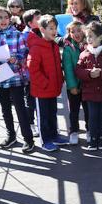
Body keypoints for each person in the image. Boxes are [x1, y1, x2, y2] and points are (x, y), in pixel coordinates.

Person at [0, 7, 35, 153]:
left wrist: (17, 58)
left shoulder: (17, 35)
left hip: (15, 77)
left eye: (5, 17)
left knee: (20, 108)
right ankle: (11, 136)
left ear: (9, 19)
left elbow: (24, 53)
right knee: (5, 109)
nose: (3, 20)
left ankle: (28, 139)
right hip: (0, 77)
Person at [26, 15, 68, 152]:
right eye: (51, 28)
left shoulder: (54, 45)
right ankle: (46, 141)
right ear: (42, 29)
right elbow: (33, 69)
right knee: (43, 116)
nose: (54, 31)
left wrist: (59, 80)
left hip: (53, 88)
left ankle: (54, 136)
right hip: (42, 90)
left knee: (52, 114)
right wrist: (45, 83)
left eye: (55, 28)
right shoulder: (36, 47)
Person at [76, 22, 102, 151]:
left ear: (100, 37)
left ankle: (101, 138)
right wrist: (89, 74)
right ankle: (93, 140)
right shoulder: (84, 53)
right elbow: (78, 70)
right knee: (92, 116)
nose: (88, 39)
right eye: (87, 36)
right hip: (90, 92)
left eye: (91, 36)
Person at [63, 21, 89, 145]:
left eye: (79, 30)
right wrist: (72, 85)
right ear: (69, 34)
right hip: (74, 86)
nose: (76, 34)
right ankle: (74, 131)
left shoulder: (89, 45)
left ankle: (89, 130)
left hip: (87, 85)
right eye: (73, 32)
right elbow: (67, 69)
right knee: (74, 110)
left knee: (88, 109)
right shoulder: (69, 48)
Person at [22, 9, 43, 137]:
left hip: (40, 73)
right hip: (30, 74)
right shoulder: (25, 36)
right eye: (37, 18)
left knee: (40, 100)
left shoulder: (41, 32)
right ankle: (31, 124)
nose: (41, 20)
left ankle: (41, 123)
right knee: (30, 100)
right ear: (30, 23)